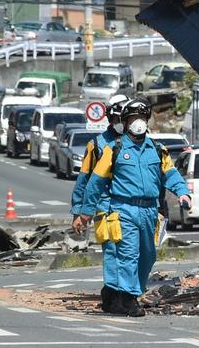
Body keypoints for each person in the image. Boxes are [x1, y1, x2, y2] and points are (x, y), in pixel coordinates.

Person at [79, 99, 191, 316]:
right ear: (125, 121)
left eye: (141, 118)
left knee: (148, 256)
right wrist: (86, 210)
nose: (138, 122)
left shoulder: (158, 150)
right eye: (133, 118)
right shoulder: (114, 149)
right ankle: (129, 299)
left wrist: (183, 192)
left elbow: (171, 174)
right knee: (128, 254)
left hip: (150, 211)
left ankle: (125, 294)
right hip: (123, 209)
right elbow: (96, 182)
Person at [71, 94, 128, 313]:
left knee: (134, 253)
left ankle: (128, 292)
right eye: (118, 118)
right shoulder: (96, 145)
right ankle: (113, 294)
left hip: (133, 208)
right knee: (113, 252)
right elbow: (85, 179)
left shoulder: (141, 142)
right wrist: (79, 211)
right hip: (106, 208)